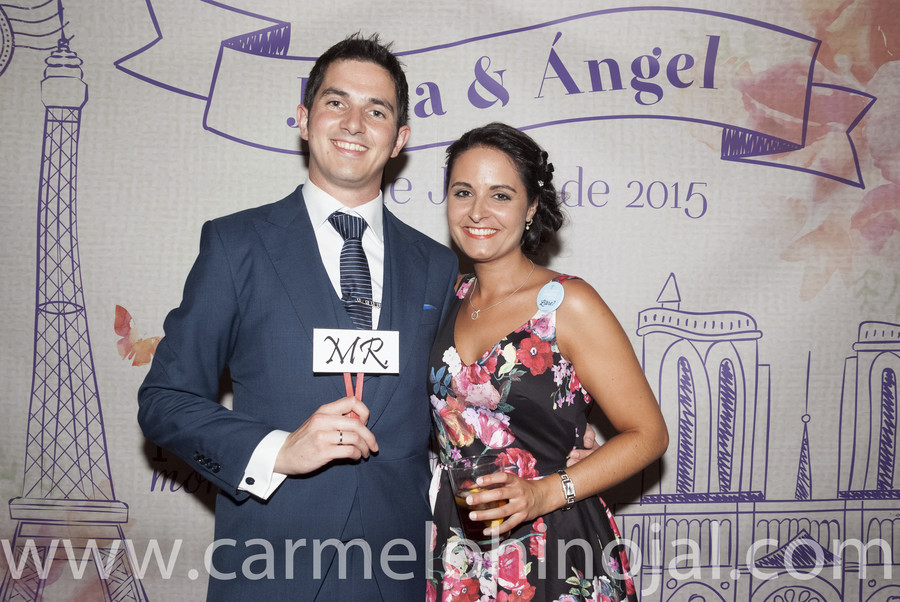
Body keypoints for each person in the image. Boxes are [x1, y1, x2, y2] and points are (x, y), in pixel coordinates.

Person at [137, 34, 459, 600]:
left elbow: (454, 400)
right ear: (305, 120)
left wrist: (545, 447)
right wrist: (278, 451)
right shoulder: (235, 245)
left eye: (376, 110)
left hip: (394, 568)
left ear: (400, 138)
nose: (355, 123)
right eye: (336, 102)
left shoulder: (437, 265)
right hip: (270, 563)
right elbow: (165, 399)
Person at [426, 123, 669, 601]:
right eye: (463, 192)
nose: (477, 212)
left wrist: (543, 492)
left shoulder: (566, 303)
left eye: (500, 195)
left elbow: (649, 435)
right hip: (459, 548)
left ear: (531, 206)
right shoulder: (444, 297)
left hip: (554, 541)